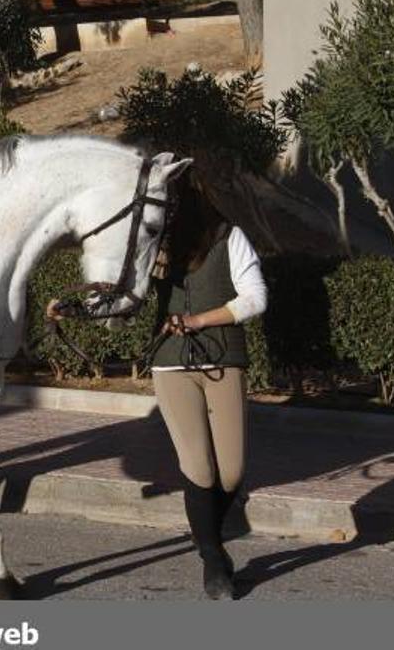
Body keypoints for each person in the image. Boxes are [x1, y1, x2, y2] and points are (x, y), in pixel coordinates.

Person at [149, 171, 266, 600]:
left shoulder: (229, 237)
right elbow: (128, 300)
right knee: (198, 468)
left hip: (224, 360)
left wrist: (198, 320)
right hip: (170, 366)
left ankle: (209, 542)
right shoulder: (153, 245)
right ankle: (214, 560)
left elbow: (256, 297)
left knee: (231, 471)